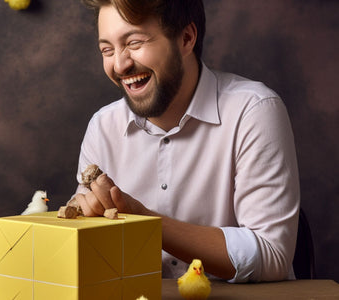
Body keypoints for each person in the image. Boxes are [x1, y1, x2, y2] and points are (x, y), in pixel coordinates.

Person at [73, 0, 300, 283]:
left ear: (186, 38)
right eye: (107, 50)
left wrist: (143, 221)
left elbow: (272, 255)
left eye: (134, 42)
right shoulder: (102, 127)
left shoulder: (253, 110)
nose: (120, 64)